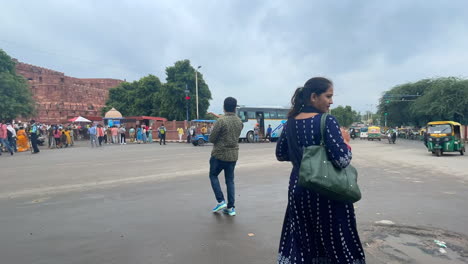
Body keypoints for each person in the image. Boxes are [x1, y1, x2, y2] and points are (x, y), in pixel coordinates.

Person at [275, 77, 365, 263]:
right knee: (335, 241)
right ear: (314, 97)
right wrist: (346, 142)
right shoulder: (327, 121)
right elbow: (342, 160)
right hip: (328, 191)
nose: (331, 102)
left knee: (304, 240)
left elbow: (281, 154)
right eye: (328, 96)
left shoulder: (291, 122)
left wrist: (303, 155)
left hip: (299, 190)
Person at [208, 97, 243, 216]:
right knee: (230, 180)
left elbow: (212, 138)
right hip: (233, 155)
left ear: (224, 107)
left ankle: (220, 200)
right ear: (235, 107)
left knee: (213, 175)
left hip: (219, 154)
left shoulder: (221, 121)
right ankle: (231, 207)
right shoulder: (239, 121)